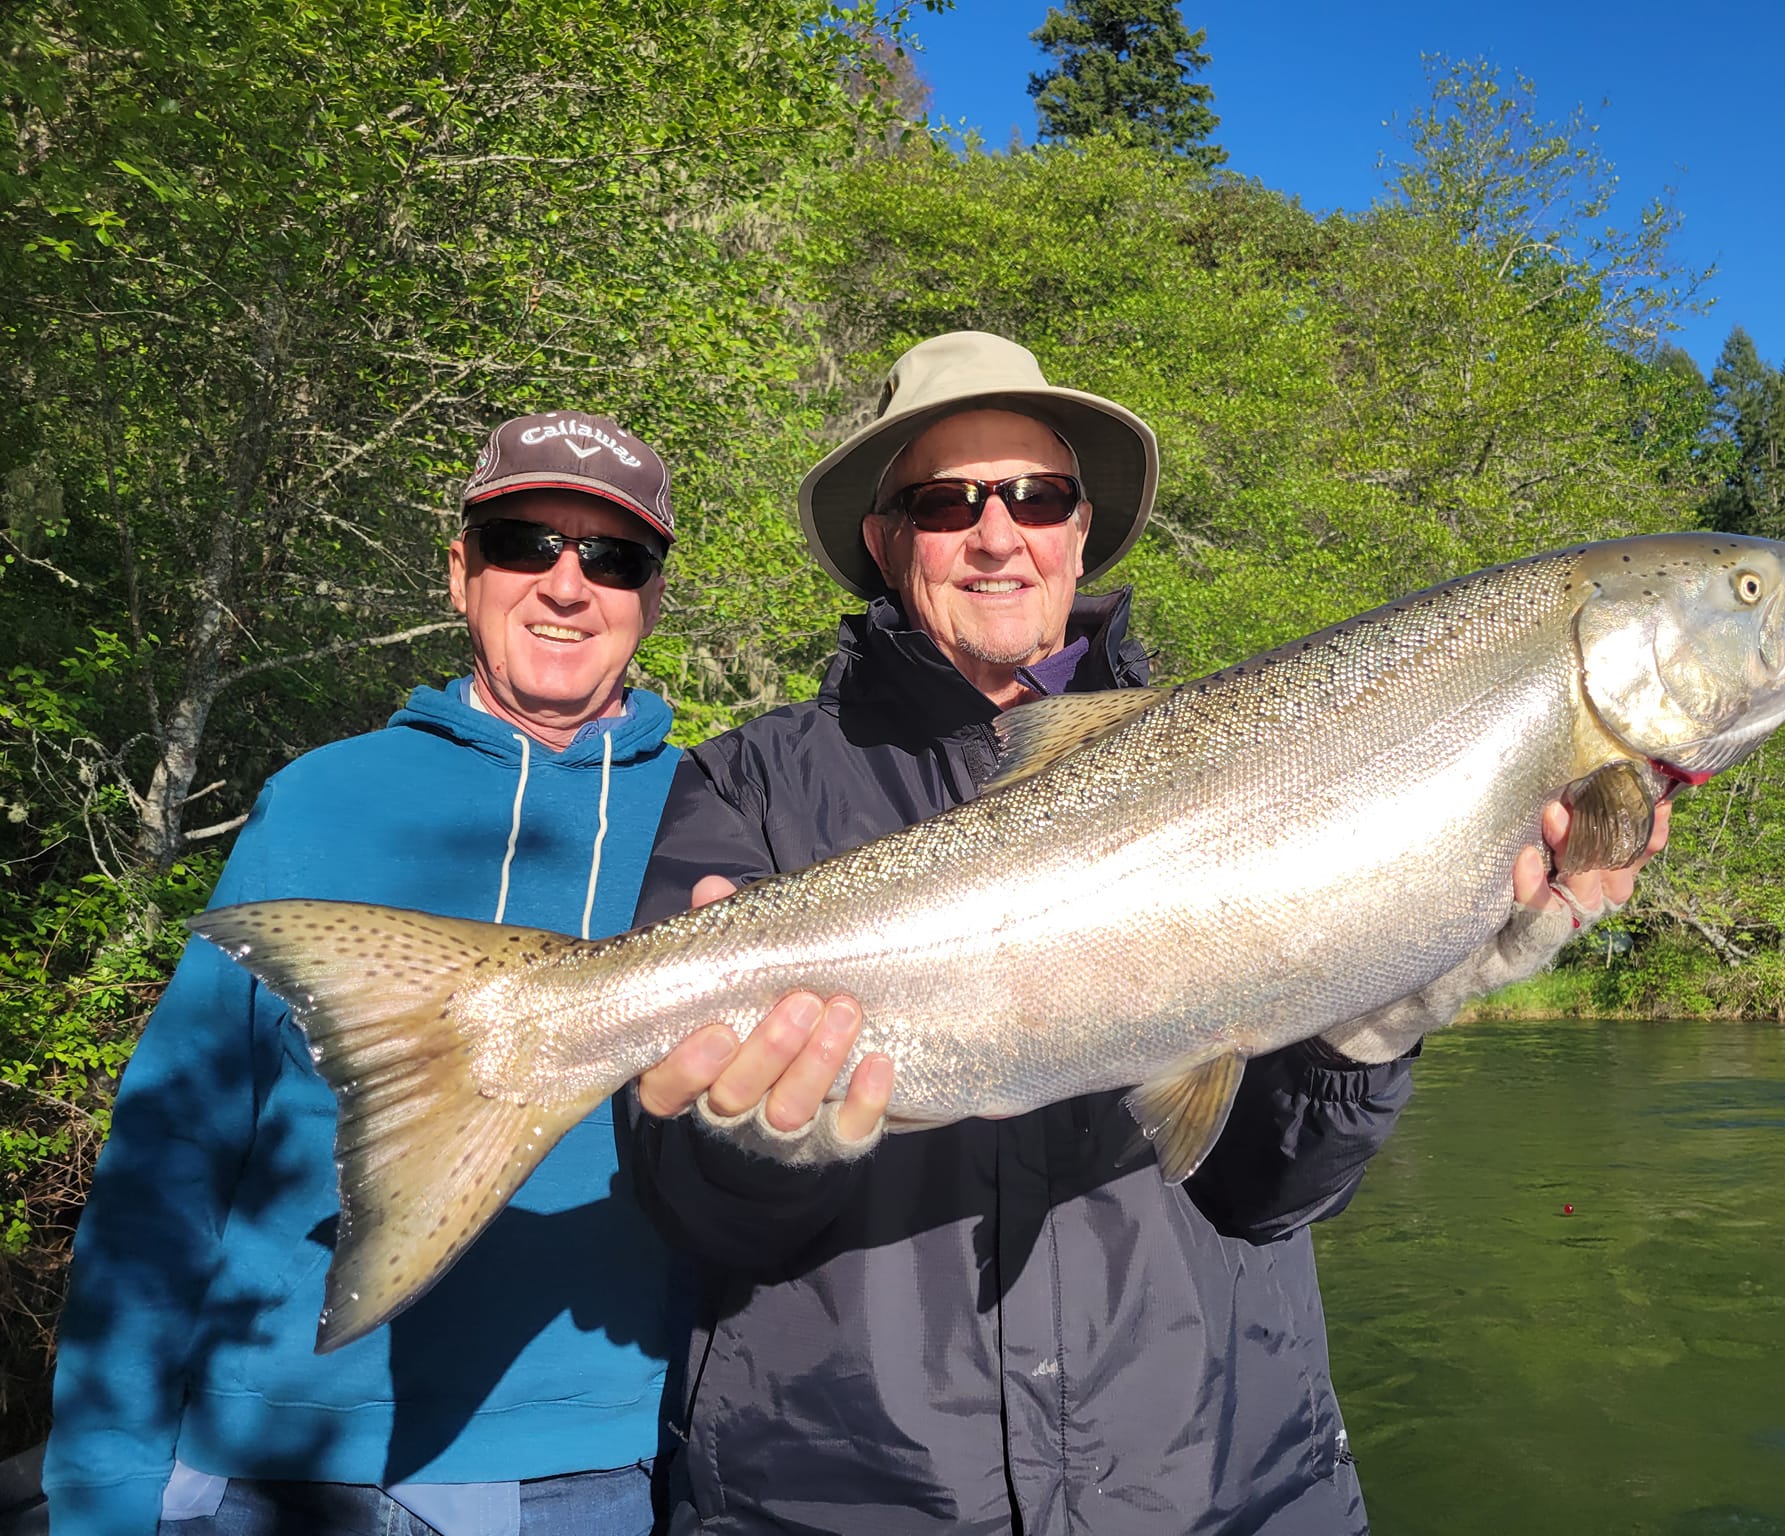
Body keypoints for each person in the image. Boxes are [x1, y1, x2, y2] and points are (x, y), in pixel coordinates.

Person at [618, 332, 1666, 1533]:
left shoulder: (1266, 765)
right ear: (883, 537)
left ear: (1079, 529)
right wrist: (752, 1140)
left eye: (1037, 495)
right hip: (846, 1501)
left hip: (1221, 1490)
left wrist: (1363, 1041)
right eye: (946, 500)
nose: (996, 533)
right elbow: (685, 1206)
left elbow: (1267, 1196)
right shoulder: (744, 785)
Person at [45, 413, 689, 1534]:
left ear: (649, 600)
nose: (566, 584)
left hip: (574, 1469)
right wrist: (101, 1484)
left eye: (612, 556)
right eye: (524, 542)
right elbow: (173, 1151)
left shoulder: (714, 820)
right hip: (270, 1452)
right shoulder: (324, 797)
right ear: (460, 572)